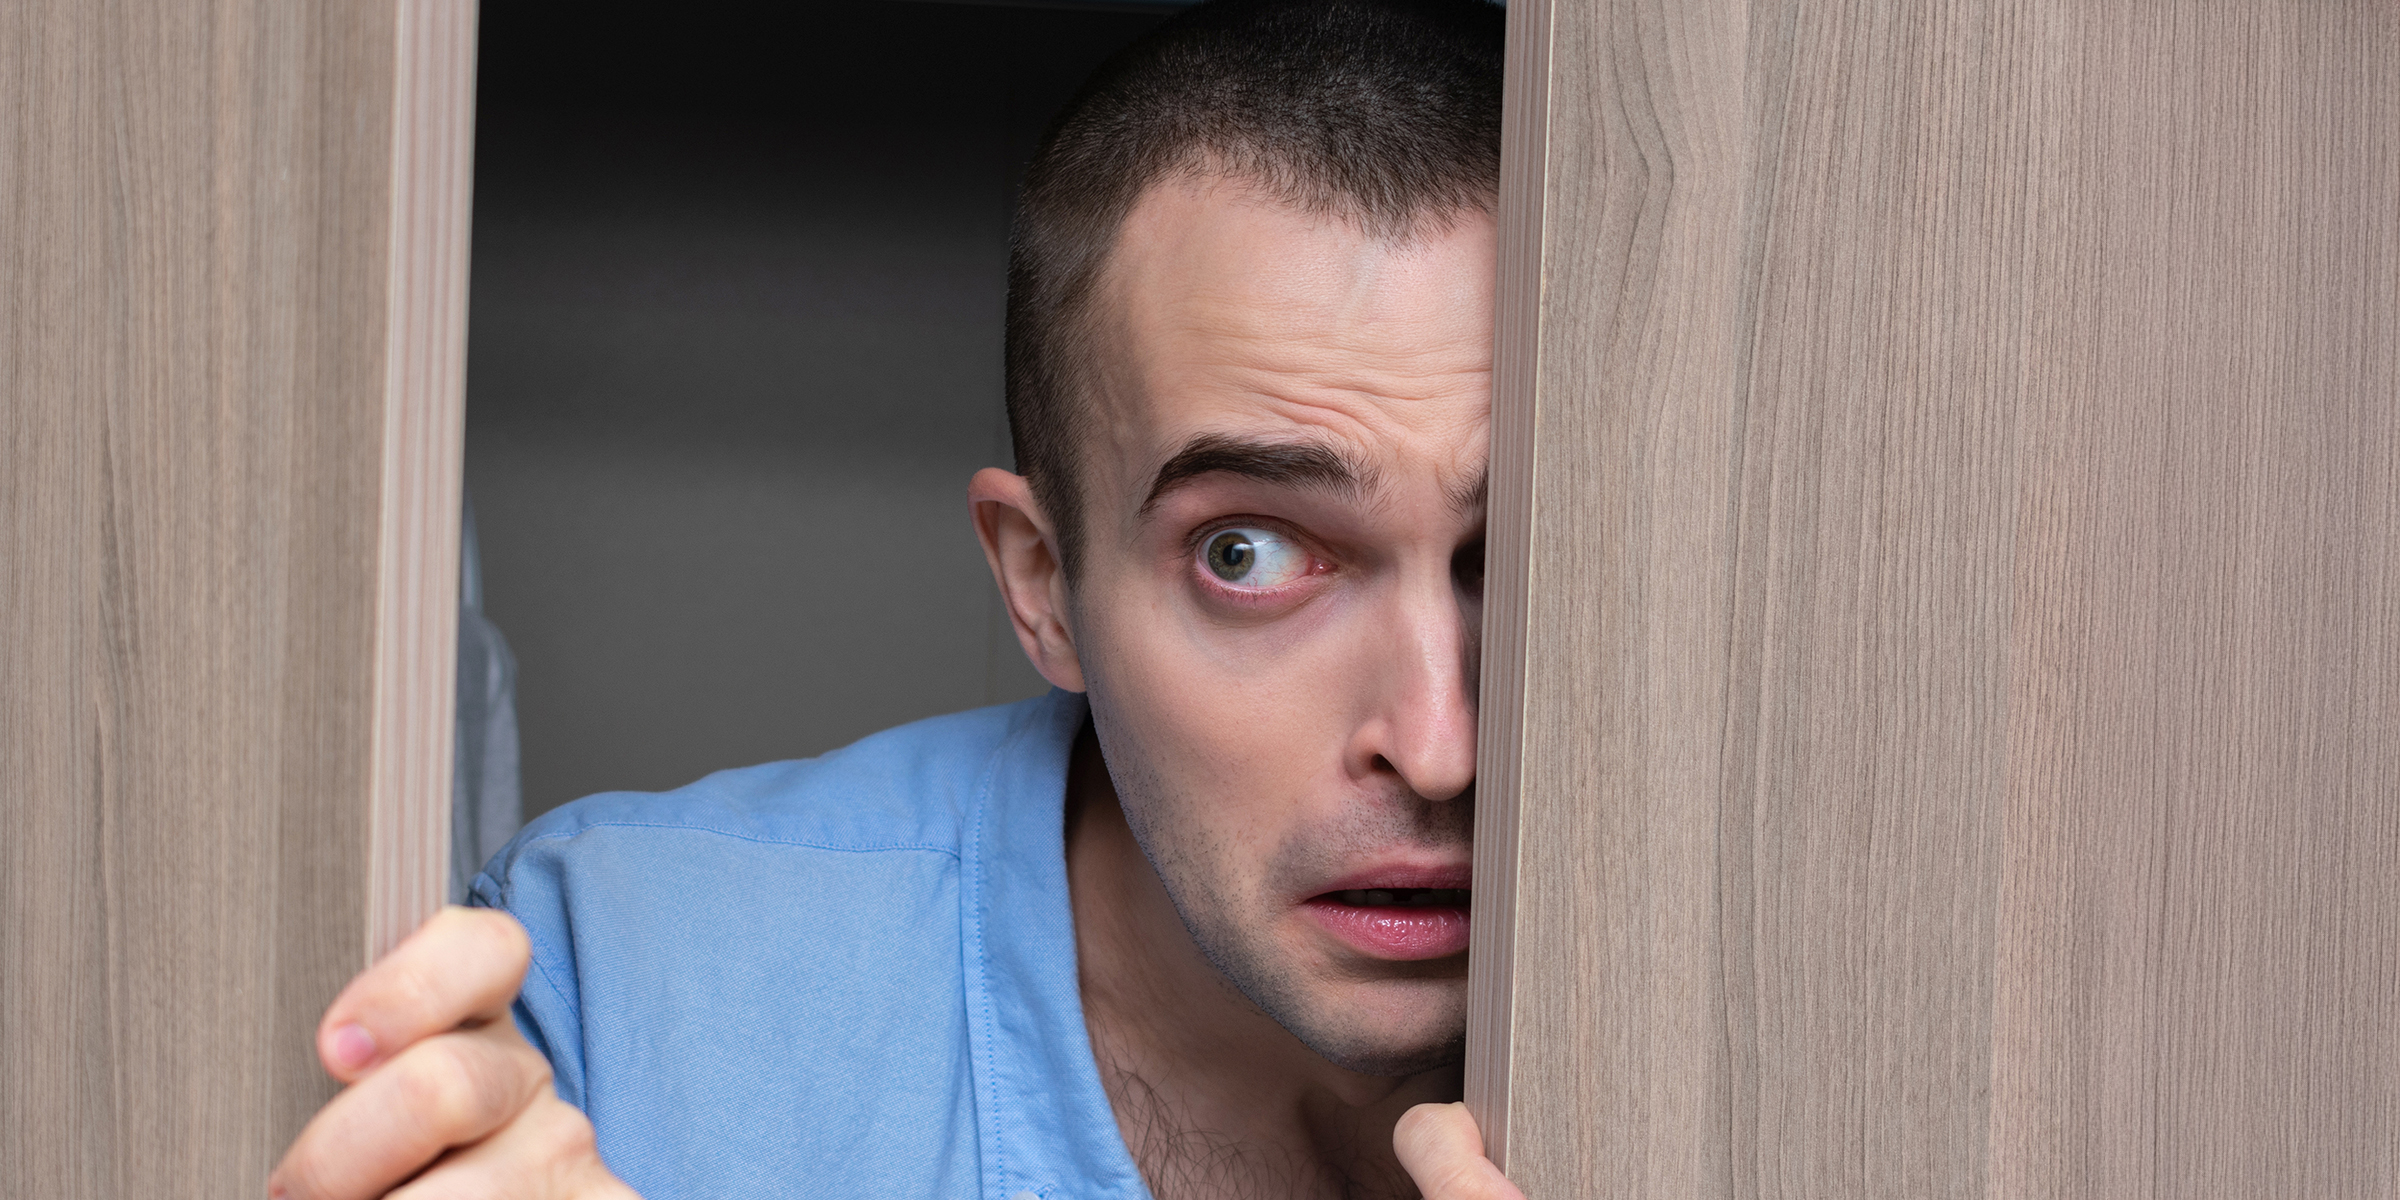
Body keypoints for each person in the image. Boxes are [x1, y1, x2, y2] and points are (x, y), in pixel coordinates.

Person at [270, 1, 1521, 1196]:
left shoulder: (1709, 1062)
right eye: (1246, 552)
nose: (1436, 745)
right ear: (1042, 586)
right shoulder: (612, 1003)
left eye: (1511, 559)